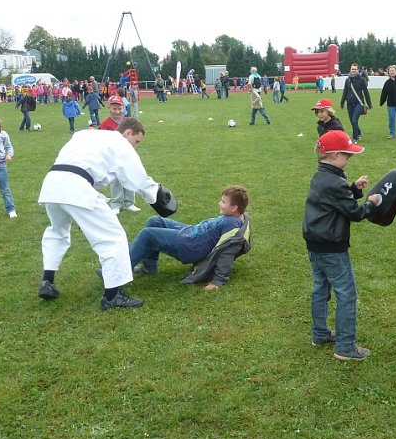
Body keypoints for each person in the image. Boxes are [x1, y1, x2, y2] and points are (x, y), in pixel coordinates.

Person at [36, 117, 176, 310]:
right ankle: (112, 296)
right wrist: (157, 196)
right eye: (136, 141)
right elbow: (136, 177)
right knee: (113, 238)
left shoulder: (85, 134)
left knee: (57, 232)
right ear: (128, 133)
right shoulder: (120, 143)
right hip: (76, 186)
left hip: (52, 183)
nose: (135, 147)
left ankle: (47, 281)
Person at [304, 129, 381, 361]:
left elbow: (336, 201)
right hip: (331, 247)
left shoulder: (322, 176)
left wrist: (354, 188)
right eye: (348, 155)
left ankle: (320, 334)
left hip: (315, 243)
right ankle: (345, 347)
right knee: (346, 294)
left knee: (321, 288)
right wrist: (371, 202)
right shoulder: (334, 183)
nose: (350, 158)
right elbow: (355, 213)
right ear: (335, 155)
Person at [130, 185, 248, 290]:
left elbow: (226, 252)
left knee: (147, 235)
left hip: (190, 245)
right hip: (191, 232)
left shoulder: (232, 225)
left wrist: (218, 280)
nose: (219, 203)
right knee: (154, 221)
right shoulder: (237, 216)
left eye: (223, 202)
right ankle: (149, 267)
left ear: (234, 208)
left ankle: (121, 273)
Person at [100, 95, 141, 214]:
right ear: (109, 108)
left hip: (127, 155)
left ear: (123, 107)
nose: (117, 111)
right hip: (112, 157)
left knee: (129, 178)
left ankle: (129, 203)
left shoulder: (128, 122)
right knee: (116, 181)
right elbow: (102, 141)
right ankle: (116, 204)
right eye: (114, 109)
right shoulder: (105, 124)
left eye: (119, 108)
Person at [339, 63, 371, 143]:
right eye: (352, 69)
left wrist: (369, 104)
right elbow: (345, 92)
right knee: (352, 121)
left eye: (355, 69)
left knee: (354, 120)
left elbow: (366, 92)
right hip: (349, 103)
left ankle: (354, 138)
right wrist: (342, 102)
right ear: (350, 70)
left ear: (358, 70)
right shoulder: (348, 80)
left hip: (359, 103)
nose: (353, 70)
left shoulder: (361, 80)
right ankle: (359, 132)